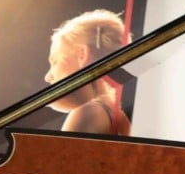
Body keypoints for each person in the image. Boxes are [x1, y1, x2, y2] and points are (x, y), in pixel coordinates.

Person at [44, 8, 131, 136]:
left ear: (82, 55)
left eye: (55, 61)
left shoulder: (87, 112)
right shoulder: (117, 116)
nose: (48, 77)